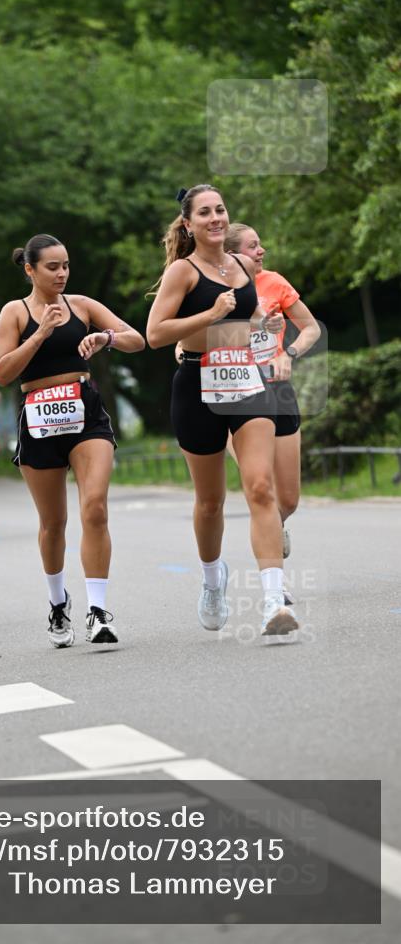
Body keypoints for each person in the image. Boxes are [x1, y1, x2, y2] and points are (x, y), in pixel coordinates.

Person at [147, 184, 298, 639]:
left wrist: (260, 324)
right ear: (189, 224)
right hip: (196, 384)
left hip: (246, 380)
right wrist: (210, 314)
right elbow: (156, 333)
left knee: (259, 486)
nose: (216, 218)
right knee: (210, 502)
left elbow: (242, 316)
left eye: (221, 210)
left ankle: (274, 599)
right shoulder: (182, 272)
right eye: (205, 213)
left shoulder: (240, 265)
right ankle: (213, 579)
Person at [0, 233, 145, 648]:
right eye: (52, 267)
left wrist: (105, 338)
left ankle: (98, 611)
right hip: (38, 419)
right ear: (30, 269)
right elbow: (3, 373)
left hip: (84, 412)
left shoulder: (82, 305)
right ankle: (58, 603)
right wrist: (40, 333)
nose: (61, 274)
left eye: (66, 266)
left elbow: (138, 338)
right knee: (53, 523)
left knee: (94, 507)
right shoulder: (15, 312)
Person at [223, 223, 321, 599]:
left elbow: (309, 328)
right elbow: (188, 340)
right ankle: (274, 586)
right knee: (260, 488)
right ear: (232, 253)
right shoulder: (218, 290)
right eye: (252, 247)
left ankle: (273, 527)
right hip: (236, 394)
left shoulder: (275, 282)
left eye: (261, 244)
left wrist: (288, 352)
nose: (261, 251)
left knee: (288, 500)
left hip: (277, 392)